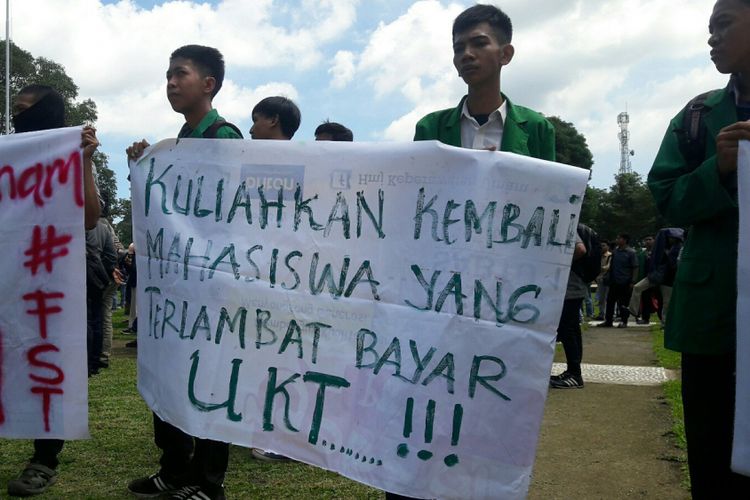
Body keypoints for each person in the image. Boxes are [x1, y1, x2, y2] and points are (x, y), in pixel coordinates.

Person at [126, 44, 242, 500]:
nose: (171, 82)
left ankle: (207, 482)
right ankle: (173, 470)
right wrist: (144, 169)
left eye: (181, 74)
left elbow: (234, 213)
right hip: (178, 291)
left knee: (211, 383)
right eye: (168, 75)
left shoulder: (225, 137)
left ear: (208, 84)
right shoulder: (179, 141)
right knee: (170, 377)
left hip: (213, 289)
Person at [647, 0, 750, 496]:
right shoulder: (699, 115)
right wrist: (718, 169)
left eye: (723, 25)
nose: (712, 38)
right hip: (714, 317)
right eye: (709, 29)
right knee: (712, 455)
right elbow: (666, 198)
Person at [6, 85, 101, 497]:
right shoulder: (10, 157)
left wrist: (84, 161)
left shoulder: (68, 155)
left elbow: (89, 218)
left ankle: (45, 458)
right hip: (11, 279)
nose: (16, 118)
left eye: (24, 110)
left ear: (46, 111)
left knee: (46, 360)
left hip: (48, 282)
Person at [413, 4, 555, 160]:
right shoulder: (429, 129)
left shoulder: (537, 128)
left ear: (505, 54)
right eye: (458, 48)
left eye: (479, 43)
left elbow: (548, 184)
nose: (466, 54)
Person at [247, 95, 301, 463]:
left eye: (255, 120)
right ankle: (262, 427)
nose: (250, 129)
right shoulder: (250, 164)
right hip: (259, 280)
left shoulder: (306, 164)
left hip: (291, 282)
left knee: (287, 357)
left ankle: (285, 436)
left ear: (273, 120)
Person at [550, 231, 588, 389]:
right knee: (571, 329)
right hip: (572, 288)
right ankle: (573, 371)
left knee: (567, 330)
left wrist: (558, 265)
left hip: (569, 289)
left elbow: (580, 250)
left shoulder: (565, 224)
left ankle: (574, 374)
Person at [597, 233, 637, 328]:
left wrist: (633, 281)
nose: (617, 240)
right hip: (614, 281)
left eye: (619, 238)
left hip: (625, 281)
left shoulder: (631, 252)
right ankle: (608, 321)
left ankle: (624, 321)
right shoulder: (615, 252)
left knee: (623, 303)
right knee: (610, 301)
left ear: (625, 240)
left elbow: (635, 267)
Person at [593, 241, 612, 320]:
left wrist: (599, 268)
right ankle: (601, 314)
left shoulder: (610, 256)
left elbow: (608, 267)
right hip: (600, 279)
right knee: (601, 298)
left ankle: (610, 314)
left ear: (608, 246)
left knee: (608, 297)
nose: (602, 247)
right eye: (601, 246)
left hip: (608, 279)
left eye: (604, 245)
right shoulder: (598, 256)